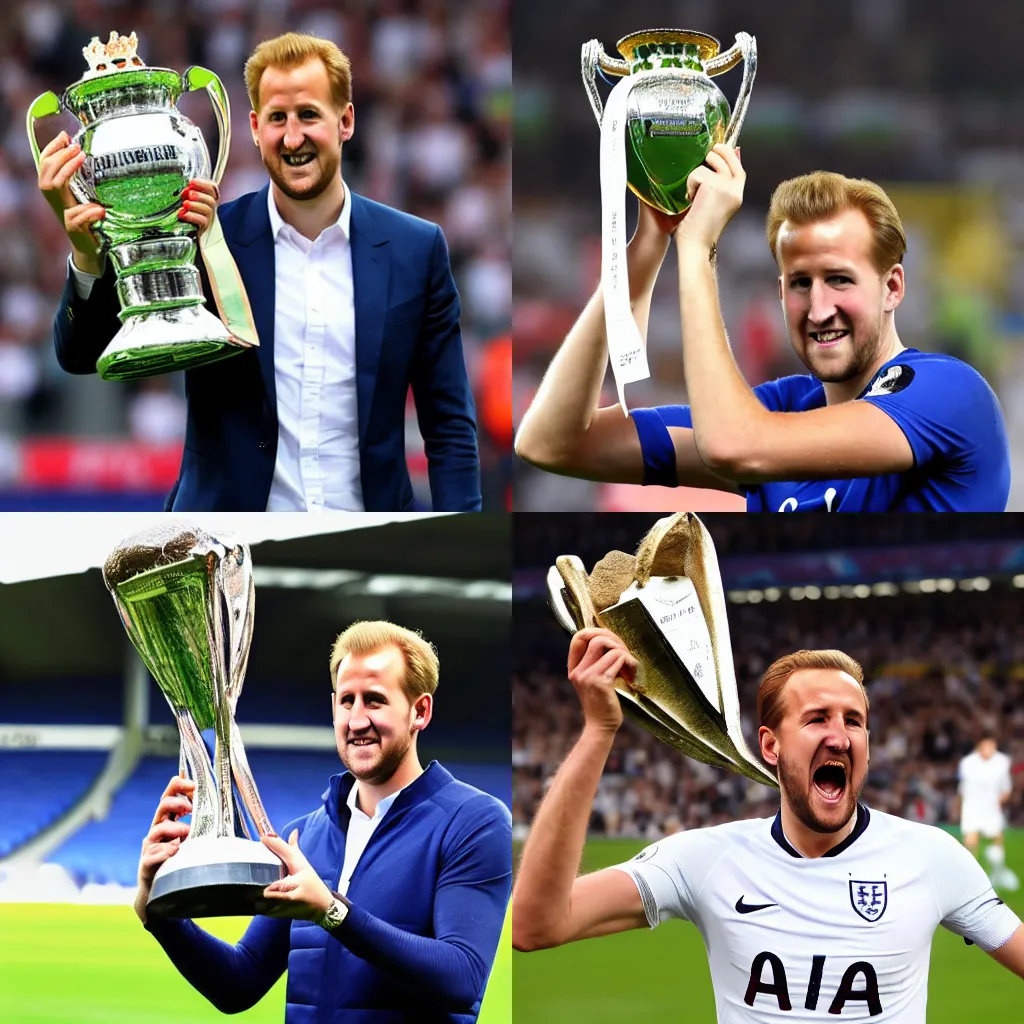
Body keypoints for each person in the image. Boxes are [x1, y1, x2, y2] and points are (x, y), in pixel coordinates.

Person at [40, 32, 481, 512]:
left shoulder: (415, 249)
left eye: (309, 114)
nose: (293, 138)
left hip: (369, 536)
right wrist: (88, 257)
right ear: (253, 127)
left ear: (346, 120)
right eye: (277, 119)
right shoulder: (204, 235)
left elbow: (449, 425)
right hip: (229, 544)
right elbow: (82, 356)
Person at [513, 631, 1024, 1021]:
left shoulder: (933, 858)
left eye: (854, 721)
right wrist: (599, 730)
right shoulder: (705, 861)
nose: (840, 737)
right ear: (770, 746)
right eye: (817, 718)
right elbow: (533, 925)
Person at [515, 146, 1010, 511]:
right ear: (780, 292)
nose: (818, 309)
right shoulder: (779, 409)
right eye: (800, 283)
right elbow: (551, 442)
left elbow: (734, 446)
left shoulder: (950, 392)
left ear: (893, 288)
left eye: (839, 280)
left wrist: (697, 248)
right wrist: (650, 242)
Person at [137, 620, 511, 1022]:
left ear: (420, 711)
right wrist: (155, 908)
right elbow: (238, 982)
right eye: (347, 701)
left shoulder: (474, 822)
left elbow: (462, 977)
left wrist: (331, 911)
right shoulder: (306, 836)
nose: (357, 720)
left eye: (375, 700)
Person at [959, 732, 1019, 891]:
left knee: (997, 841)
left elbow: (1006, 788)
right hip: (972, 808)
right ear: (979, 746)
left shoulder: (1002, 762)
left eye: (991, 745)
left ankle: (998, 873)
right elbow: (963, 789)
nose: (988, 749)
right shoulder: (967, 763)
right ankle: (969, 879)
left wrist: (998, 802)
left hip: (991, 808)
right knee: (971, 843)